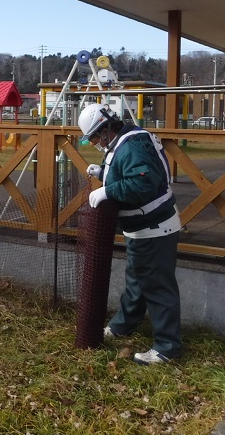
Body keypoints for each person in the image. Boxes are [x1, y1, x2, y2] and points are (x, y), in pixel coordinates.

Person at [80, 103, 182, 365]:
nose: (93, 143)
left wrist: (108, 191)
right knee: (137, 282)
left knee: (157, 287)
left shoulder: (133, 144)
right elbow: (126, 172)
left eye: (92, 137)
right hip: (142, 230)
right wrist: (103, 173)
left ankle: (167, 347)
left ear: (105, 130)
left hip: (155, 229)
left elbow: (143, 182)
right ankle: (124, 325)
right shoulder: (124, 143)